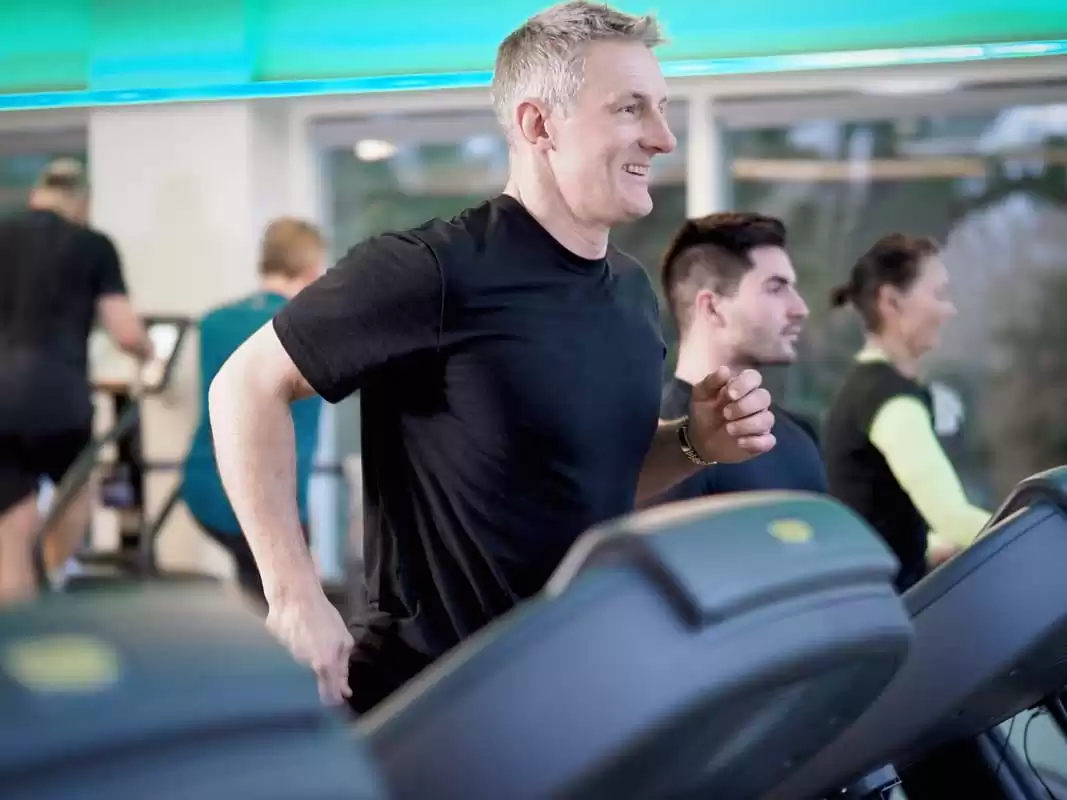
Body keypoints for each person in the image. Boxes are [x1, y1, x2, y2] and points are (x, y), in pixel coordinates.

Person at [208, 0, 776, 713]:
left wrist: (694, 442)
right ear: (539, 125)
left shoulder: (630, 293)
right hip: (440, 697)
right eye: (631, 109)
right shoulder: (431, 270)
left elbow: (594, 483)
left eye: (661, 108)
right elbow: (244, 386)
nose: (662, 138)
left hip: (575, 684)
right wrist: (293, 595)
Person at [0, 158, 153, 604]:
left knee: (10, 526)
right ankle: (54, 577)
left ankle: (16, 627)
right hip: (59, 398)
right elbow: (125, 330)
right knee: (74, 491)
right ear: (81, 202)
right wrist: (151, 353)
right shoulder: (92, 244)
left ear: (36, 195)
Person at [823, 233, 990, 592]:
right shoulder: (888, 399)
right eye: (939, 295)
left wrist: (930, 544)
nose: (950, 310)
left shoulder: (873, 389)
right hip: (882, 612)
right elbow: (952, 516)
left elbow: (880, 511)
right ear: (891, 301)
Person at [181, 218, 327, 607]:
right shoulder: (309, 325)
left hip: (203, 486)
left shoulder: (214, 321)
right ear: (313, 270)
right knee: (298, 601)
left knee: (260, 589)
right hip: (264, 492)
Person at [657, 212, 827, 501]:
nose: (799, 308)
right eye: (775, 288)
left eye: (792, 288)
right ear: (712, 308)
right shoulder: (661, 449)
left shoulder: (800, 435)